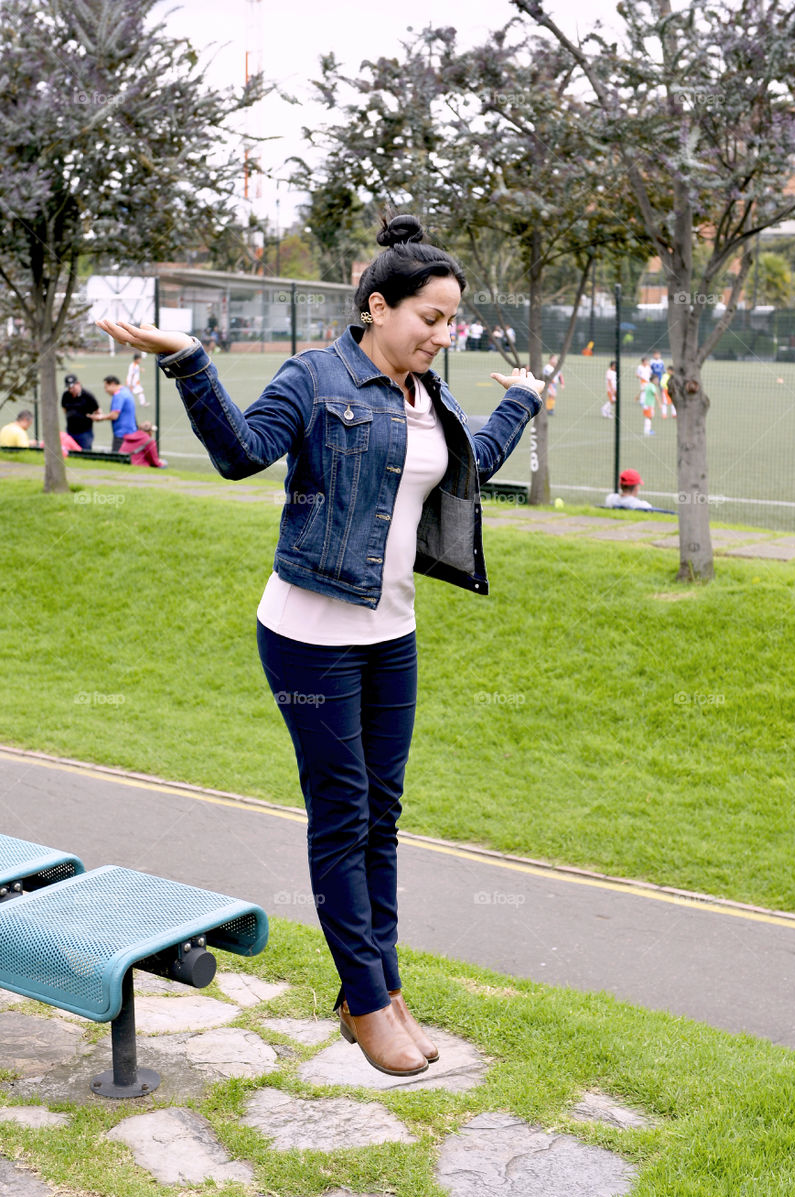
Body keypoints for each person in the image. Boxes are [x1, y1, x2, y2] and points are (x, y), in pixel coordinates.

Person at [95, 215, 544, 1079]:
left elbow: (465, 465)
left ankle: (379, 986)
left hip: (392, 637)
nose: (444, 337)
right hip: (310, 639)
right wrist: (187, 359)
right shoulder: (315, 378)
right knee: (343, 816)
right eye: (431, 319)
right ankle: (366, 1000)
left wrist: (520, 399)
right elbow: (240, 455)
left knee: (384, 816)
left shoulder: (428, 395)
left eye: (453, 322)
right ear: (378, 306)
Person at [90, 376, 138, 450]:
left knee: (117, 458)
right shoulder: (126, 391)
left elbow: (114, 415)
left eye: (106, 387)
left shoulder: (118, 395)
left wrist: (99, 417)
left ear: (113, 384)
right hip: (131, 431)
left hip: (122, 434)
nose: (106, 390)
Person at [61, 375, 99, 450]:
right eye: (69, 388)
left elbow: (97, 411)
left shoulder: (87, 396)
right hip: (70, 430)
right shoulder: (66, 395)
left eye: (73, 387)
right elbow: (64, 409)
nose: (71, 390)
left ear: (78, 383)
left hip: (85, 432)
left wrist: (93, 417)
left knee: (85, 451)